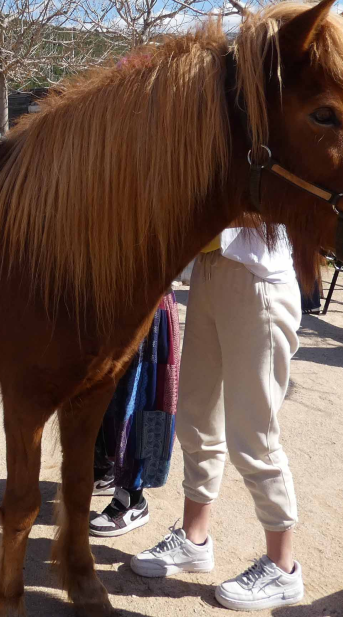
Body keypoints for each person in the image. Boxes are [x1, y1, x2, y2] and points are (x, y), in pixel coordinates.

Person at [129, 225, 304, 611]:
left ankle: (283, 567)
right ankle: (194, 539)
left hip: (257, 276)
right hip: (210, 269)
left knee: (255, 436)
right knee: (196, 417)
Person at [88, 290, 181, 537]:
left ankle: (132, 498)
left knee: (139, 396)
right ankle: (104, 470)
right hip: (107, 297)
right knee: (100, 391)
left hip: (145, 300)